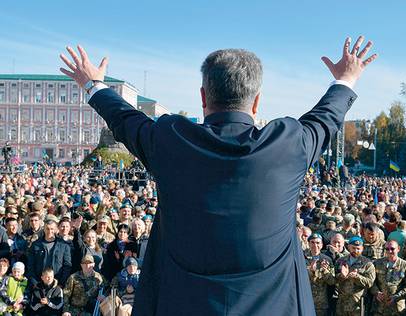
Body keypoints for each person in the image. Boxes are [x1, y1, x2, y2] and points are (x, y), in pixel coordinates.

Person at [59, 36, 377, 315]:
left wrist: (93, 84)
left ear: (203, 97)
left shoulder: (172, 141)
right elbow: (325, 119)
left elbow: (126, 119)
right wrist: (345, 79)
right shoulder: (287, 145)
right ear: (256, 101)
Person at [369, 240, 406, 315]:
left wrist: (397, 296)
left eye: (392, 249)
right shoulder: (377, 263)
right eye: (387, 249)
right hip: (379, 308)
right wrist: (376, 292)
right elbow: (371, 281)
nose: (390, 251)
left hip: (396, 308)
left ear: (398, 249)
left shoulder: (405, 266)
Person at [335, 236, 376, 316]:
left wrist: (357, 277)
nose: (356, 251)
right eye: (353, 248)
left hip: (357, 304)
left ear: (362, 248)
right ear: (348, 247)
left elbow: (370, 283)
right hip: (342, 303)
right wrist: (342, 275)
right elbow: (333, 279)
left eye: (358, 248)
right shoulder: (340, 261)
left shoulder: (367, 264)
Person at [27, 218, 72, 286]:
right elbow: (30, 265)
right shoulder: (35, 245)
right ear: (44, 229)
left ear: (56, 230)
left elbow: (67, 266)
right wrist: (35, 282)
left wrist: (61, 283)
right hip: (39, 283)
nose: (49, 231)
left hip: (57, 283)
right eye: (47, 229)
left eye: (52, 229)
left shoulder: (64, 245)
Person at [304, 233, 334, 316]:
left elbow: (332, 282)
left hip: (321, 303)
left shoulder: (327, 259)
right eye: (312, 242)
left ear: (321, 245)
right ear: (308, 243)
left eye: (317, 243)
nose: (315, 245)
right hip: (304, 298)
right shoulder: (302, 257)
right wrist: (310, 271)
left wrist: (325, 271)